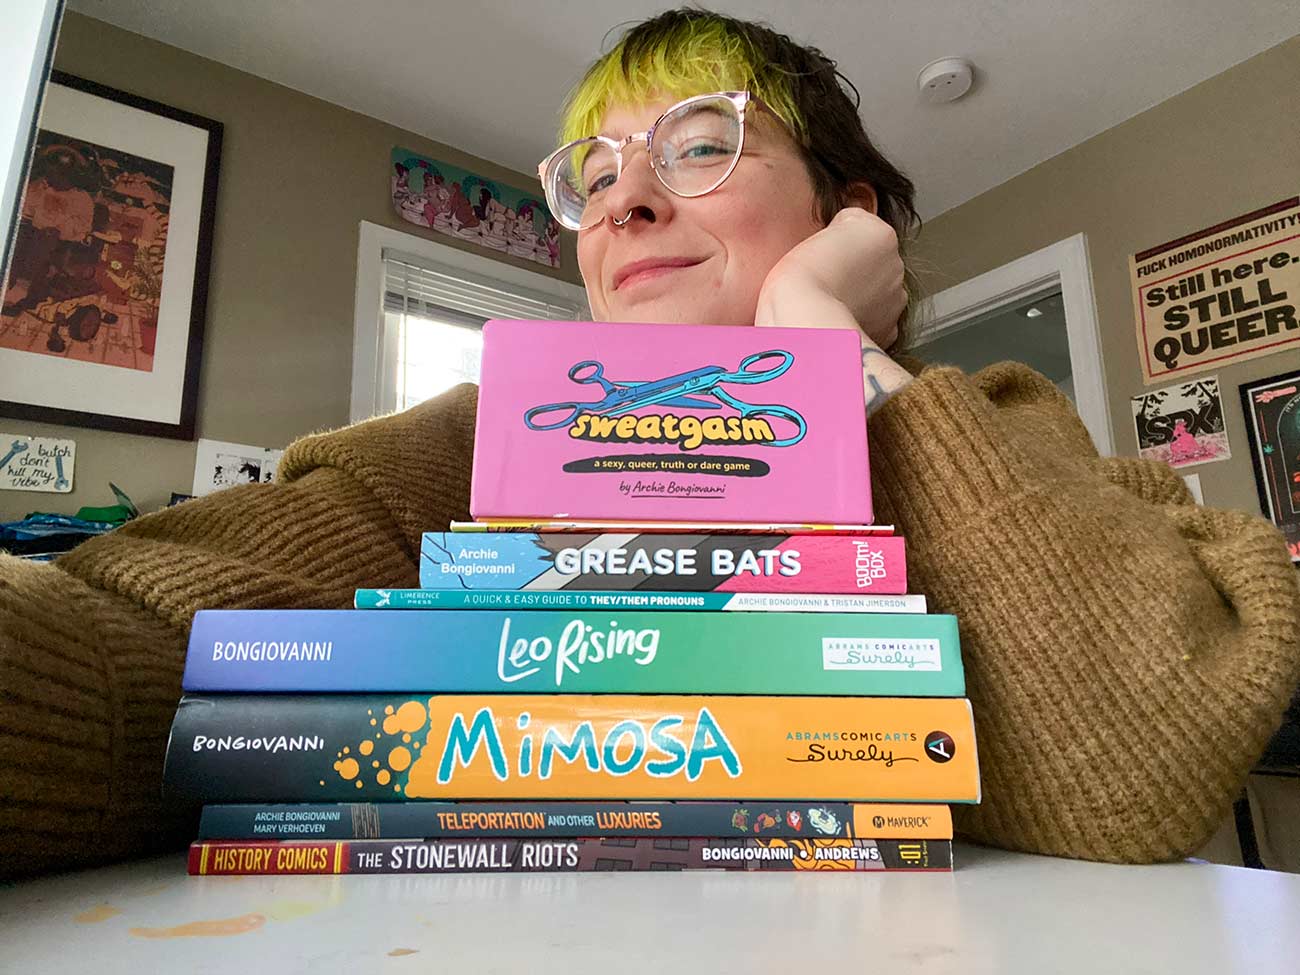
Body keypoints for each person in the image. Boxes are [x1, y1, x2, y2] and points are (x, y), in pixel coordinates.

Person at [1, 8, 1297, 880]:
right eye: (598, 168)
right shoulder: (467, 442)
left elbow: (1144, 758)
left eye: (702, 144)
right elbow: (143, 643)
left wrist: (822, 342)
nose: (625, 199)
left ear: (852, 218)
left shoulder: (1000, 428)